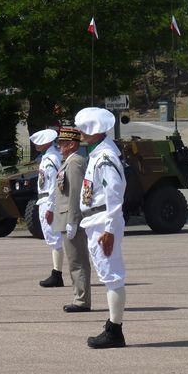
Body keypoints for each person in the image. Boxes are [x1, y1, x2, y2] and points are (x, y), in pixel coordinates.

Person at [75, 107, 127, 349]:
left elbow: (114, 194)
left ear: (93, 131)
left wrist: (109, 228)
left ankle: (115, 330)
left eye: (83, 129)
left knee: (112, 275)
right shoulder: (98, 153)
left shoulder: (105, 157)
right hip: (95, 221)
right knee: (107, 275)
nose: (80, 132)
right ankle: (113, 326)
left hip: (103, 221)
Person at [52, 127, 91, 312]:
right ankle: (78, 297)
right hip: (66, 217)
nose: (59, 146)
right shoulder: (68, 161)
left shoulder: (74, 162)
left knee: (78, 261)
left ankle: (81, 301)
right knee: (73, 260)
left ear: (72, 144)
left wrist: (73, 220)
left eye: (63, 143)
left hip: (71, 218)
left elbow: (76, 193)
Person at [29, 128, 64, 287]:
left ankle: (57, 274)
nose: (36, 145)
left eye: (39, 142)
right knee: (53, 238)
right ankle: (57, 272)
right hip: (44, 201)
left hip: (48, 201)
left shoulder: (50, 159)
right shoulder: (50, 157)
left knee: (54, 238)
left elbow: (52, 186)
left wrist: (50, 207)